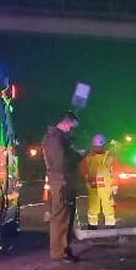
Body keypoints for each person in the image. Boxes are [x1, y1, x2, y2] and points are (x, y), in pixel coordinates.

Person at [42, 110, 80, 262]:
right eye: (71, 126)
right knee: (61, 218)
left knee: (67, 218)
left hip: (64, 181)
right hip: (61, 182)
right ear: (65, 122)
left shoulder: (58, 138)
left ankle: (64, 249)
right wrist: (77, 155)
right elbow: (60, 163)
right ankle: (59, 253)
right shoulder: (54, 138)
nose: (70, 129)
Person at [80, 133, 115, 229]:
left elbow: (114, 172)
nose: (97, 148)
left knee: (108, 208)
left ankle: (109, 227)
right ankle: (93, 227)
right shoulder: (89, 158)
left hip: (105, 188)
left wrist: (114, 186)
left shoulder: (109, 157)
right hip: (94, 188)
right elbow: (83, 170)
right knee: (93, 208)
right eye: (96, 146)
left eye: (99, 146)